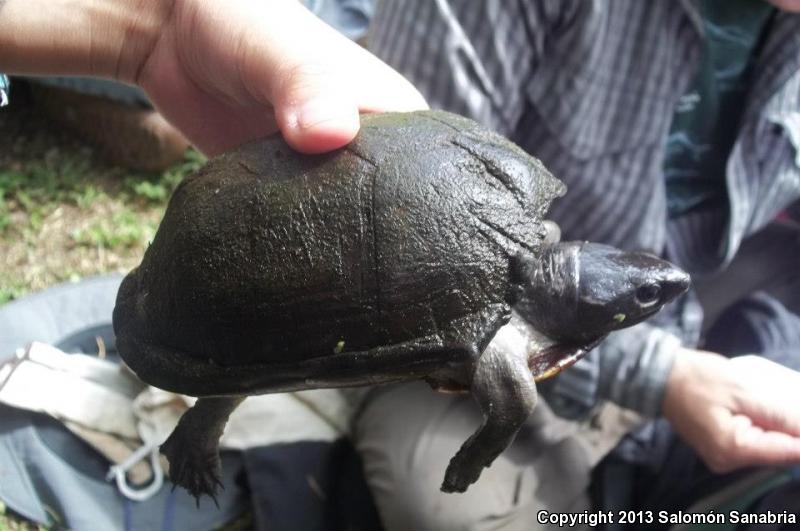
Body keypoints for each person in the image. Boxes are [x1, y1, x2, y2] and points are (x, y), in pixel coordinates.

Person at [2, 1, 800, 529]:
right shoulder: (506, 354)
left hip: (621, 282)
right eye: (639, 298)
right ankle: (197, 436)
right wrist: (158, 22)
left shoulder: (523, 182)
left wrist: (161, 23)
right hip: (294, 285)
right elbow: (505, 378)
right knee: (269, 384)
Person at [350, 1, 800, 529]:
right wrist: (661, 377)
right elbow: (417, 241)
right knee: (442, 506)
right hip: (479, 320)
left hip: (697, 283)